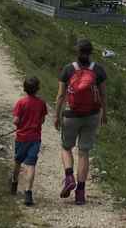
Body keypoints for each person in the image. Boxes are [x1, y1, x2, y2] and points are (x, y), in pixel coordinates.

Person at [54, 38, 107, 205]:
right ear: (91, 53)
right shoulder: (98, 70)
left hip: (71, 115)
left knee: (66, 147)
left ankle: (69, 176)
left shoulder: (69, 69)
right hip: (92, 116)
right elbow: (103, 95)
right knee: (84, 153)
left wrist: (56, 115)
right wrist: (104, 113)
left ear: (77, 52)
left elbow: (61, 96)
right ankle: (80, 193)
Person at [11, 76, 48, 206]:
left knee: (18, 161)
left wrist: (20, 123)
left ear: (24, 88)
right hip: (35, 139)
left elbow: (16, 121)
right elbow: (42, 120)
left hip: (22, 138)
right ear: (37, 89)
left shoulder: (21, 103)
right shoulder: (41, 103)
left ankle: (14, 183)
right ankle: (28, 192)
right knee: (31, 165)